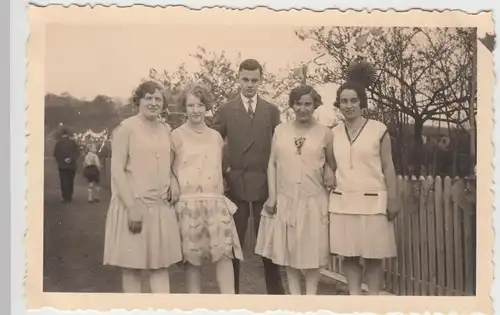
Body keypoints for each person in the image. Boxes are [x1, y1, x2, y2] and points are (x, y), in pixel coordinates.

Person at [211, 59, 285, 294]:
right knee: (233, 246)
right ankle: (232, 297)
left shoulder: (271, 111)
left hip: (265, 184)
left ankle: (276, 298)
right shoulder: (225, 110)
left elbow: (279, 149)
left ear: (260, 80)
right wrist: (221, 176)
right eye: (245, 79)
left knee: (269, 245)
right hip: (236, 186)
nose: (250, 85)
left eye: (254, 80)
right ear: (238, 78)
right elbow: (212, 146)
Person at [103, 80, 182, 293]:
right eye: (148, 98)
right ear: (138, 100)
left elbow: (169, 163)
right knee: (132, 268)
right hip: (133, 206)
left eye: (158, 99)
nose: (154, 103)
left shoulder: (166, 130)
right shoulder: (125, 129)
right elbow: (117, 171)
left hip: (159, 207)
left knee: (160, 267)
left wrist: (173, 180)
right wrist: (132, 207)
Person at [255, 85, 335, 295]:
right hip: (287, 199)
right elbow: (272, 163)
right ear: (292, 105)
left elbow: (332, 162)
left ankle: (310, 299)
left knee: (312, 254)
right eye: (298, 103)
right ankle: (294, 300)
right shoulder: (281, 131)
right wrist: (273, 197)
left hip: (314, 200)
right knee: (289, 253)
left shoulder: (325, 133)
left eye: (308, 103)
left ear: (315, 105)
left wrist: (328, 168)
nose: (303, 108)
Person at [328, 76, 398, 295]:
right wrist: (328, 171)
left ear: (362, 103)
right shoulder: (332, 133)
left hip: (373, 202)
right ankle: (355, 298)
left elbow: (388, 165)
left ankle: (373, 301)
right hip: (343, 202)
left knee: (373, 256)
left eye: (353, 101)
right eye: (344, 101)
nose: (348, 106)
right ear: (339, 104)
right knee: (348, 255)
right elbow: (328, 164)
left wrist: (393, 198)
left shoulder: (378, 129)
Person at [171, 84, 243, 294]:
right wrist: (174, 183)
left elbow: (221, 168)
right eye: (191, 105)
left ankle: (229, 306)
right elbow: (168, 168)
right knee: (193, 262)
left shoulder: (216, 137)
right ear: (184, 107)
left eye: (200, 105)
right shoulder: (176, 135)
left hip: (214, 202)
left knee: (223, 256)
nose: (196, 110)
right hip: (188, 203)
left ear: (207, 107)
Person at [53, 126, 80, 203]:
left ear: (61, 134)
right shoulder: (73, 142)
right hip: (71, 165)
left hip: (62, 165)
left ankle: (64, 196)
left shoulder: (58, 143)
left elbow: (55, 154)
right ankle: (69, 196)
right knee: (70, 180)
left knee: (63, 181)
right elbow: (77, 153)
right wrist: (70, 159)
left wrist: (62, 160)